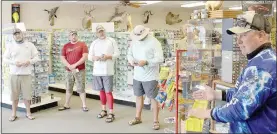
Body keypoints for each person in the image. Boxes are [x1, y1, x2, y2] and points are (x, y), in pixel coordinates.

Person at [188, 12, 276, 133]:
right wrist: (217, 94)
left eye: (244, 35)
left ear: (261, 35)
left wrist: (206, 113)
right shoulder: (262, 60)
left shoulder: (261, 68)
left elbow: (240, 109)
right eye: (237, 36)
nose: (238, 41)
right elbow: (242, 93)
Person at [127, 25, 164, 130]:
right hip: (137, 75)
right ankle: (137, 117)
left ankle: (156, 121)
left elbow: (160, 59)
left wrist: (147, 62)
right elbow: (129, 54)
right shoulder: (134, 41)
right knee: (138, 96)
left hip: (151, 76)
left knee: (153, 98)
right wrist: (131, 61)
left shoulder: (154, 42)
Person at [3, 28, 40, 121]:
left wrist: (29, 61)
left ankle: (28, 113)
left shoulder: (30, 45)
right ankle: (13, 114)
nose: (17, 35)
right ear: (13, 36)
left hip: (26, 74)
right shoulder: (10, 46)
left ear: (22, 34)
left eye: (18, 33)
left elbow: (37, 57)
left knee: (27, 95)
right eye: (15, 34)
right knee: (14, 95)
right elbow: (5, 59)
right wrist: (14, 62)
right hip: (14, 74)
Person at [88, 25, 119, 123]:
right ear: (96, 33)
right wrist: (94, 58)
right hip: (97, 71)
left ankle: (111, 112)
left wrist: (108, 56)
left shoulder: (111, 41)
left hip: (108, 71)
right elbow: (89, 56)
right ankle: (103, 110)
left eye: (102, 31)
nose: (101, 33)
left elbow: (117, 54)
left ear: (104, 31)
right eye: (99, 32)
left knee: (108, 92)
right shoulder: (94, 43)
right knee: (101, 91)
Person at [58, 30, 89, 112]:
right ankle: (66, 104)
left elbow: (85, 57)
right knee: (68, 87)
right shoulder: (66, 46)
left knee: (81, 87)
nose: (73, 36)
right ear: (69, 37)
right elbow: (62, 57)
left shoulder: (82, 45)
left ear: (77, 36)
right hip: (68, 70)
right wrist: (69, 66)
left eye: (75, 35)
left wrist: (74, 65)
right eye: (71, 35)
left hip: (80, 70)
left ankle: (84, 105)